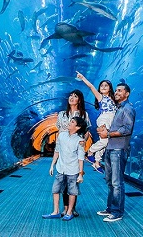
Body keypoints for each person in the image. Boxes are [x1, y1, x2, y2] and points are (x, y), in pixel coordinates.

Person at [96, 82, 135, 223]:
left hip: (119, 149)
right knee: (109, 181)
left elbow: (127, 129)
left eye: (120, 90)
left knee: (117, 182)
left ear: (127, 93)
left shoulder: (128, 109)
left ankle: (117, 212)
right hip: (110, 148)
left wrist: (108, 134)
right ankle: (110, 208)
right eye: (116, 90)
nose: (116, 92)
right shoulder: (118, 108)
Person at [41, 116, 87, 221]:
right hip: (60, 168)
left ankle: (69, 212)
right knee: (55, 190)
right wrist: (52, 165)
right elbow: (57, 150)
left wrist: (80, 174)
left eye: (72, 122)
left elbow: (80, 158)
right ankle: (55, 211)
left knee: (72, 191)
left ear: (78, 127)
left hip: (73, 170)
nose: (69, 123)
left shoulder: (79, 141)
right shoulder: (61, 136)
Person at [55, 89, 91, 217]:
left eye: (75, 96)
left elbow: (86, 132)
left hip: (76, 150)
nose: (71, 97)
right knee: (62, 180)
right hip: (64, 149)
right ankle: (65, 208)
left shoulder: (84, 114)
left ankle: (72, 208)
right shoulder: (62, 114)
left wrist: (83, 141)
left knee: (73, 180)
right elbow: (59, 130)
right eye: (70, 95)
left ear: (79, 99)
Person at [76, 71, 116, 173]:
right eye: (101, 85)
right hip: (104, 118)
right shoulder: (100, 97)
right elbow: (91, 86)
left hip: (112, 120)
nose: (103, 87)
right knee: (105, 141)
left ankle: (97, 162)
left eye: (106, 85)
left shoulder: (114, 98)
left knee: (107, 142)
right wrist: (83, 77)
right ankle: (90, 152)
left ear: (110, 88)